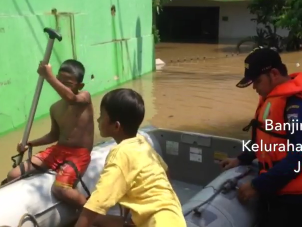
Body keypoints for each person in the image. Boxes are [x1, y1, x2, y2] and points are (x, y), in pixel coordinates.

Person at [220, 48, 302, 227]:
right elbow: (267, 138)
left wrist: (257, 185)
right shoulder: (272, 99)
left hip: (299, 196)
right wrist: (241, 159)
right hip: (279, 185)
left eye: (257, 81)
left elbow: (299, 157)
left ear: (274, 74)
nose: (255, 88)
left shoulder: (298, 107)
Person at [74, 88, 186, 227]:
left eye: (101, 116)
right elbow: (166, 174)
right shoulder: (142, 144)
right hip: (174, 218)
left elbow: (97, 203)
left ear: (116, 126)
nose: (98, 119)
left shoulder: (120, 154)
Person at [7, 59, 94, 207]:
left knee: (60, 189)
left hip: (79, 154)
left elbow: (71, 98)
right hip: (58, 150)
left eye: (66, 83)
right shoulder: (55, 107)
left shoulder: (84, 97)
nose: (60, 85)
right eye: (59, 80)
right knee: (13, 175)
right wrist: (30, 143)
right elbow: (54, 135)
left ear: (80, 86)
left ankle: (94, 216)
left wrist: (49, 77)